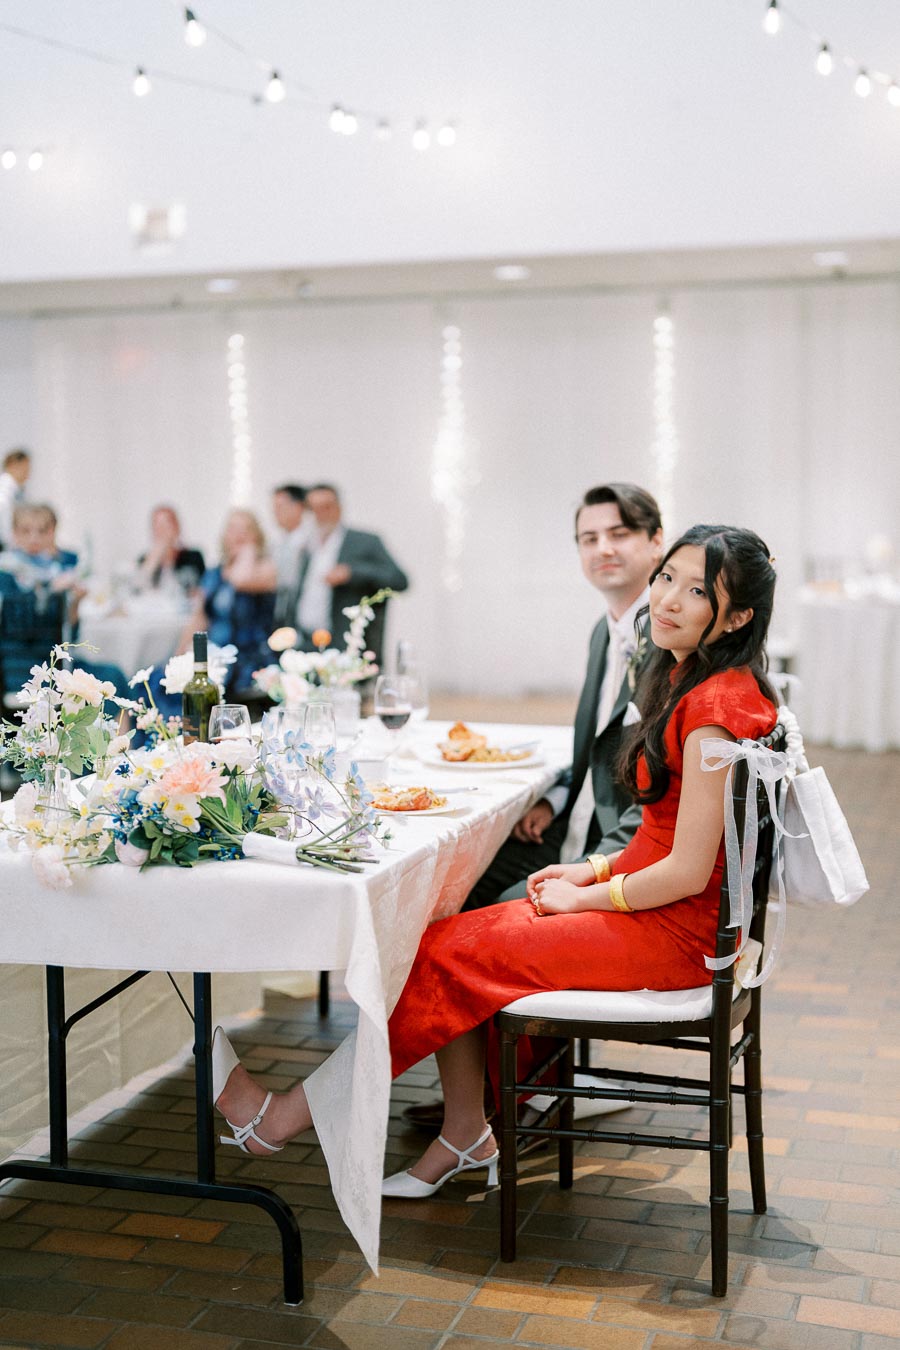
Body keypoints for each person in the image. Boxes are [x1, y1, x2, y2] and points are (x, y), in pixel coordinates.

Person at [210, 524, 779, 1191]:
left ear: (737, 615)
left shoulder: (714, 709)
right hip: (661, 908)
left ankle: (285, 1120)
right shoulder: (696, 678)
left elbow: (687, 868)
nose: (668, 599)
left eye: (695, 590)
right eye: (667, 578)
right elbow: (663, 834)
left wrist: (587, 897)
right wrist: (591, 869)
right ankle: (464, 1134)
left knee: (443, 952)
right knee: (440, 941)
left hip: (677, 934)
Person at [467, 483, 663, 909]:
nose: (603, 548)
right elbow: (595, 744)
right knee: (454, 885)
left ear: (656, 541)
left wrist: (594, 869)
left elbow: (664, 796)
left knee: (485, 916)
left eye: (619, 534)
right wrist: (554, 800)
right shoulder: (603, 631)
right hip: (571, 821)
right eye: (589, 539)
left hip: (616, 847)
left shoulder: (670, 643)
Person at [0, 503, 127, 696]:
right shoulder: (6, 573)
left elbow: (68, 637)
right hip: (20, 668)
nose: (34, 538)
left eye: (42, 531)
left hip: (57, 663)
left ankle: (118, 728)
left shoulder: (57, 569)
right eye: (26, 531)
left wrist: (75, 602)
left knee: (113, 678)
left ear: (52, 533)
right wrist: (50, 591)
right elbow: (23, 628)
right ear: (15, 534)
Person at [291, 484, 408, 667]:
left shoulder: (364, 542)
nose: (320, 514)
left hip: (345, 646)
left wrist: (352, 572)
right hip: (306, 643)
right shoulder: (307, 546)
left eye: (326, 507)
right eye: (314, 509)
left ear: (339, 508)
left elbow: (400, 580)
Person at [179, 509, 277, 699]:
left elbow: (241, 580)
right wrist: (179, 656)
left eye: (245, 529)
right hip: (214, 654)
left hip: (249, 659)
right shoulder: (214, 572)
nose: (238, 535)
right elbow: (199, 619)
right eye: (233, 529)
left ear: (256, 536)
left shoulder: (265, 568)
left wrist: (248, 552)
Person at [136, 504, 205, 594]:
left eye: (166, 525)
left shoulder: (193, 557)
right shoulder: (144, 560)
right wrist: (152, 562)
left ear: (176, 528)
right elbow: (135, 592)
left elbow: (202, 590)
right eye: (157, 526)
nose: (161, 531)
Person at [270, 483, 307, 625]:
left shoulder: (309, 542)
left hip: (299, 614)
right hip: (278, 611)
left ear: (298, 507)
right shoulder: (276, 541)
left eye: (280, 507)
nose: (275, 513)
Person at [0, 448, 31, 550]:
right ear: (12, 465)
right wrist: (13, 547)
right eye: (25, 467)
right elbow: (5, 519)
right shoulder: (5, 489)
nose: (28, 472)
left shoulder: (17, 490)